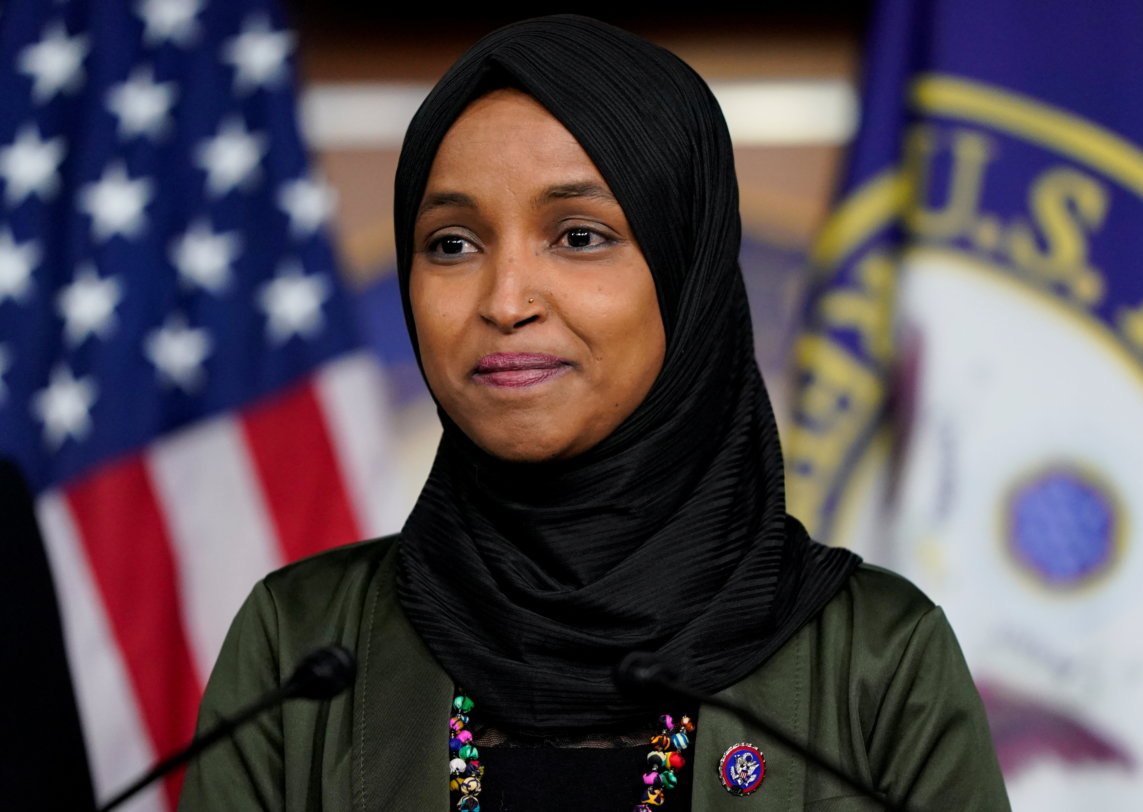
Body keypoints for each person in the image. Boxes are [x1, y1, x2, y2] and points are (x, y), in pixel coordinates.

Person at [180, 15, 1009, 811]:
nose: (505, 301)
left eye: (578, 236)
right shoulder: (301, 647)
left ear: (690, 276)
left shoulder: (878, 657)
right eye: (452, 244)